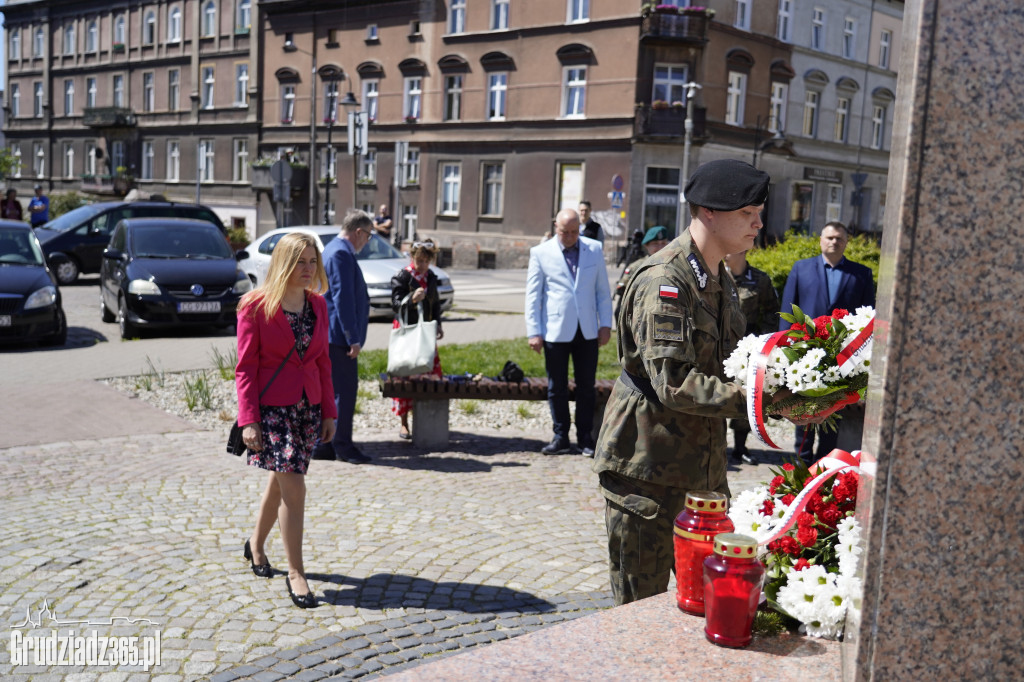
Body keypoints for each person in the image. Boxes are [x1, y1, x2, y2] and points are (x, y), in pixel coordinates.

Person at [592, 159, 829, 605]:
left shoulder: (719, 277)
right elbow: (675, 383)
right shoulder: (665, 280)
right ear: (709, 212)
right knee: (639, 608)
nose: (759, 223)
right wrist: (769, 403)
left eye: (759, 211)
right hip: (647, 470)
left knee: (704, 600)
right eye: (747, 212)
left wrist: (802, 378)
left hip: (702, 468)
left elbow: (733, 364)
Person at [235, 232, 337, 609]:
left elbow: (323, 360)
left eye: (312, 261)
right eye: (300, 262)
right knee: (294, 486)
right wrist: (249, 420)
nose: (307, 269)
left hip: (307, 406)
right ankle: (297, 573)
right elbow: (245, 369)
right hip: (272, 410)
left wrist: (329, 410)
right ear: (283, 263)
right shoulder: (255, 306)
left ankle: (255, 546)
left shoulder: (319, 306)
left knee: (279, 482)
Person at [778, 221, 875, 462]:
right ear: (821, 240)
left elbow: (868, 316)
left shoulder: (861, 274)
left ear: (846, 242)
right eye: (829, 237)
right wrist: (784, 350)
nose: (834, 242)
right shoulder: (801, 269)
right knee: (803, 409)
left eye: (839, 239)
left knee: (834, 413)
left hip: (843, 356)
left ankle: (825, 466)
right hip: (805, 353)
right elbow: (788, 310)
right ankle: (802, 462)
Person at [526, 208, 613, 456]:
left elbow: (602, 292)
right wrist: (534, 331)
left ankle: (585, 437)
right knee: (557, 386)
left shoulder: (593, 250)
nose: (570, 236)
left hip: (587, 331)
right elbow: (533, 296)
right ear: (556, 227)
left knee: (587, 386)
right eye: (566, 232)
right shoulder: (541, 253)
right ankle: (560, 435)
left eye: (575, 232)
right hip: (555, 330)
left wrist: (605, 324)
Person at [318, 209, 373, 464]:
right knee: (344, 392)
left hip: (331, 335)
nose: (368, 241)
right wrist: (353, 337)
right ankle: (342, 445)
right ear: (358, 232)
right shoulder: (340, 253)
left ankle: (325, 446)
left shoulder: (333, 249)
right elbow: (342, 298)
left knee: (330, 392)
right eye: (368, 236)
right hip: (339, 337)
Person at [724, 249, 779, 465]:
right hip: (717, 346)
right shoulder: (714, 275)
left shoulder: (759, 279)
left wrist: (759, 341)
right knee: (714, 393)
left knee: (746, 397)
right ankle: (716, 445)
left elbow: (772, 311)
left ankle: (739, 447)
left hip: (747, 350)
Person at [390, 241, 445, 439]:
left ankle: (423, 419)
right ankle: (404, 423)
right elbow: (396, 304)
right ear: (412, 258)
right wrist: (412, 299)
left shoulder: (430, 277)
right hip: (407, 331)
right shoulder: (402, 276)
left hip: (426, 331)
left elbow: (436, 303)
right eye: (418, 260)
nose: (422, 265)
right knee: (404, 374)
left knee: (427, 374)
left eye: (426, 261)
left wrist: (438, 323)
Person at [615, 225, 671, 316]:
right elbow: (622, 307)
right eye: (655, 244)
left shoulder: (674, 266)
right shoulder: (636, 267)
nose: (660, 247)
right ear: (646, 245)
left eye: (663, 243)